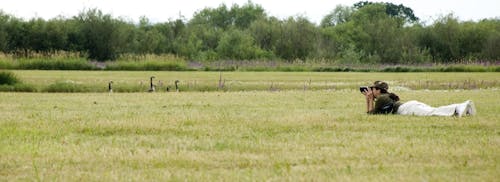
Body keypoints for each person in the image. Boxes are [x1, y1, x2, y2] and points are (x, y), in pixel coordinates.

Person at [362, 81, 476, 117]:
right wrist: (370, 100)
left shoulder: (382, 98)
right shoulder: (385, 97)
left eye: (373, 89)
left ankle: (459, 107)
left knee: (432, 112)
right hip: (410, 105)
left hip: (407, 109)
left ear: (378, 90)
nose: (371, 91)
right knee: (433, 110)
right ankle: (460, 108)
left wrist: (369, 100)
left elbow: (371, 115)